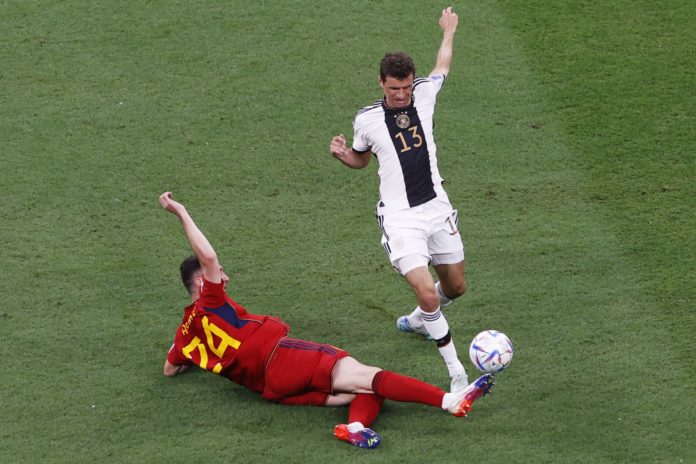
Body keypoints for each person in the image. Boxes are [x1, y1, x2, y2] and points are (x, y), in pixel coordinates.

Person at [159, 191, 493, 449]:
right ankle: (450, 401)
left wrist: (194, 359)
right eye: (219, 275)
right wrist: (182, 213)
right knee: (373, 376)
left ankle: (356, 427)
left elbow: (170, 368)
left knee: (363, 387)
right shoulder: (210, 300)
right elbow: (209, 256)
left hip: (271, 389)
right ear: (201, 283)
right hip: (282, 358)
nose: (225, 278)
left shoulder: (184, 337)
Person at [329, 7, 471, 393]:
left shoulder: (424, 93)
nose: (402, 94)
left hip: (437, 208)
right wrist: (343, 155)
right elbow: (361, 159)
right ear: (381, 83)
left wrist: (448, 31)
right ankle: (456, 372)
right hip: (400, 218)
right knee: (426, 291)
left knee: (455, 287)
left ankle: (419, 320)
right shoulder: (367, 120)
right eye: (395, 88)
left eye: (406, 87)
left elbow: (442, 65)